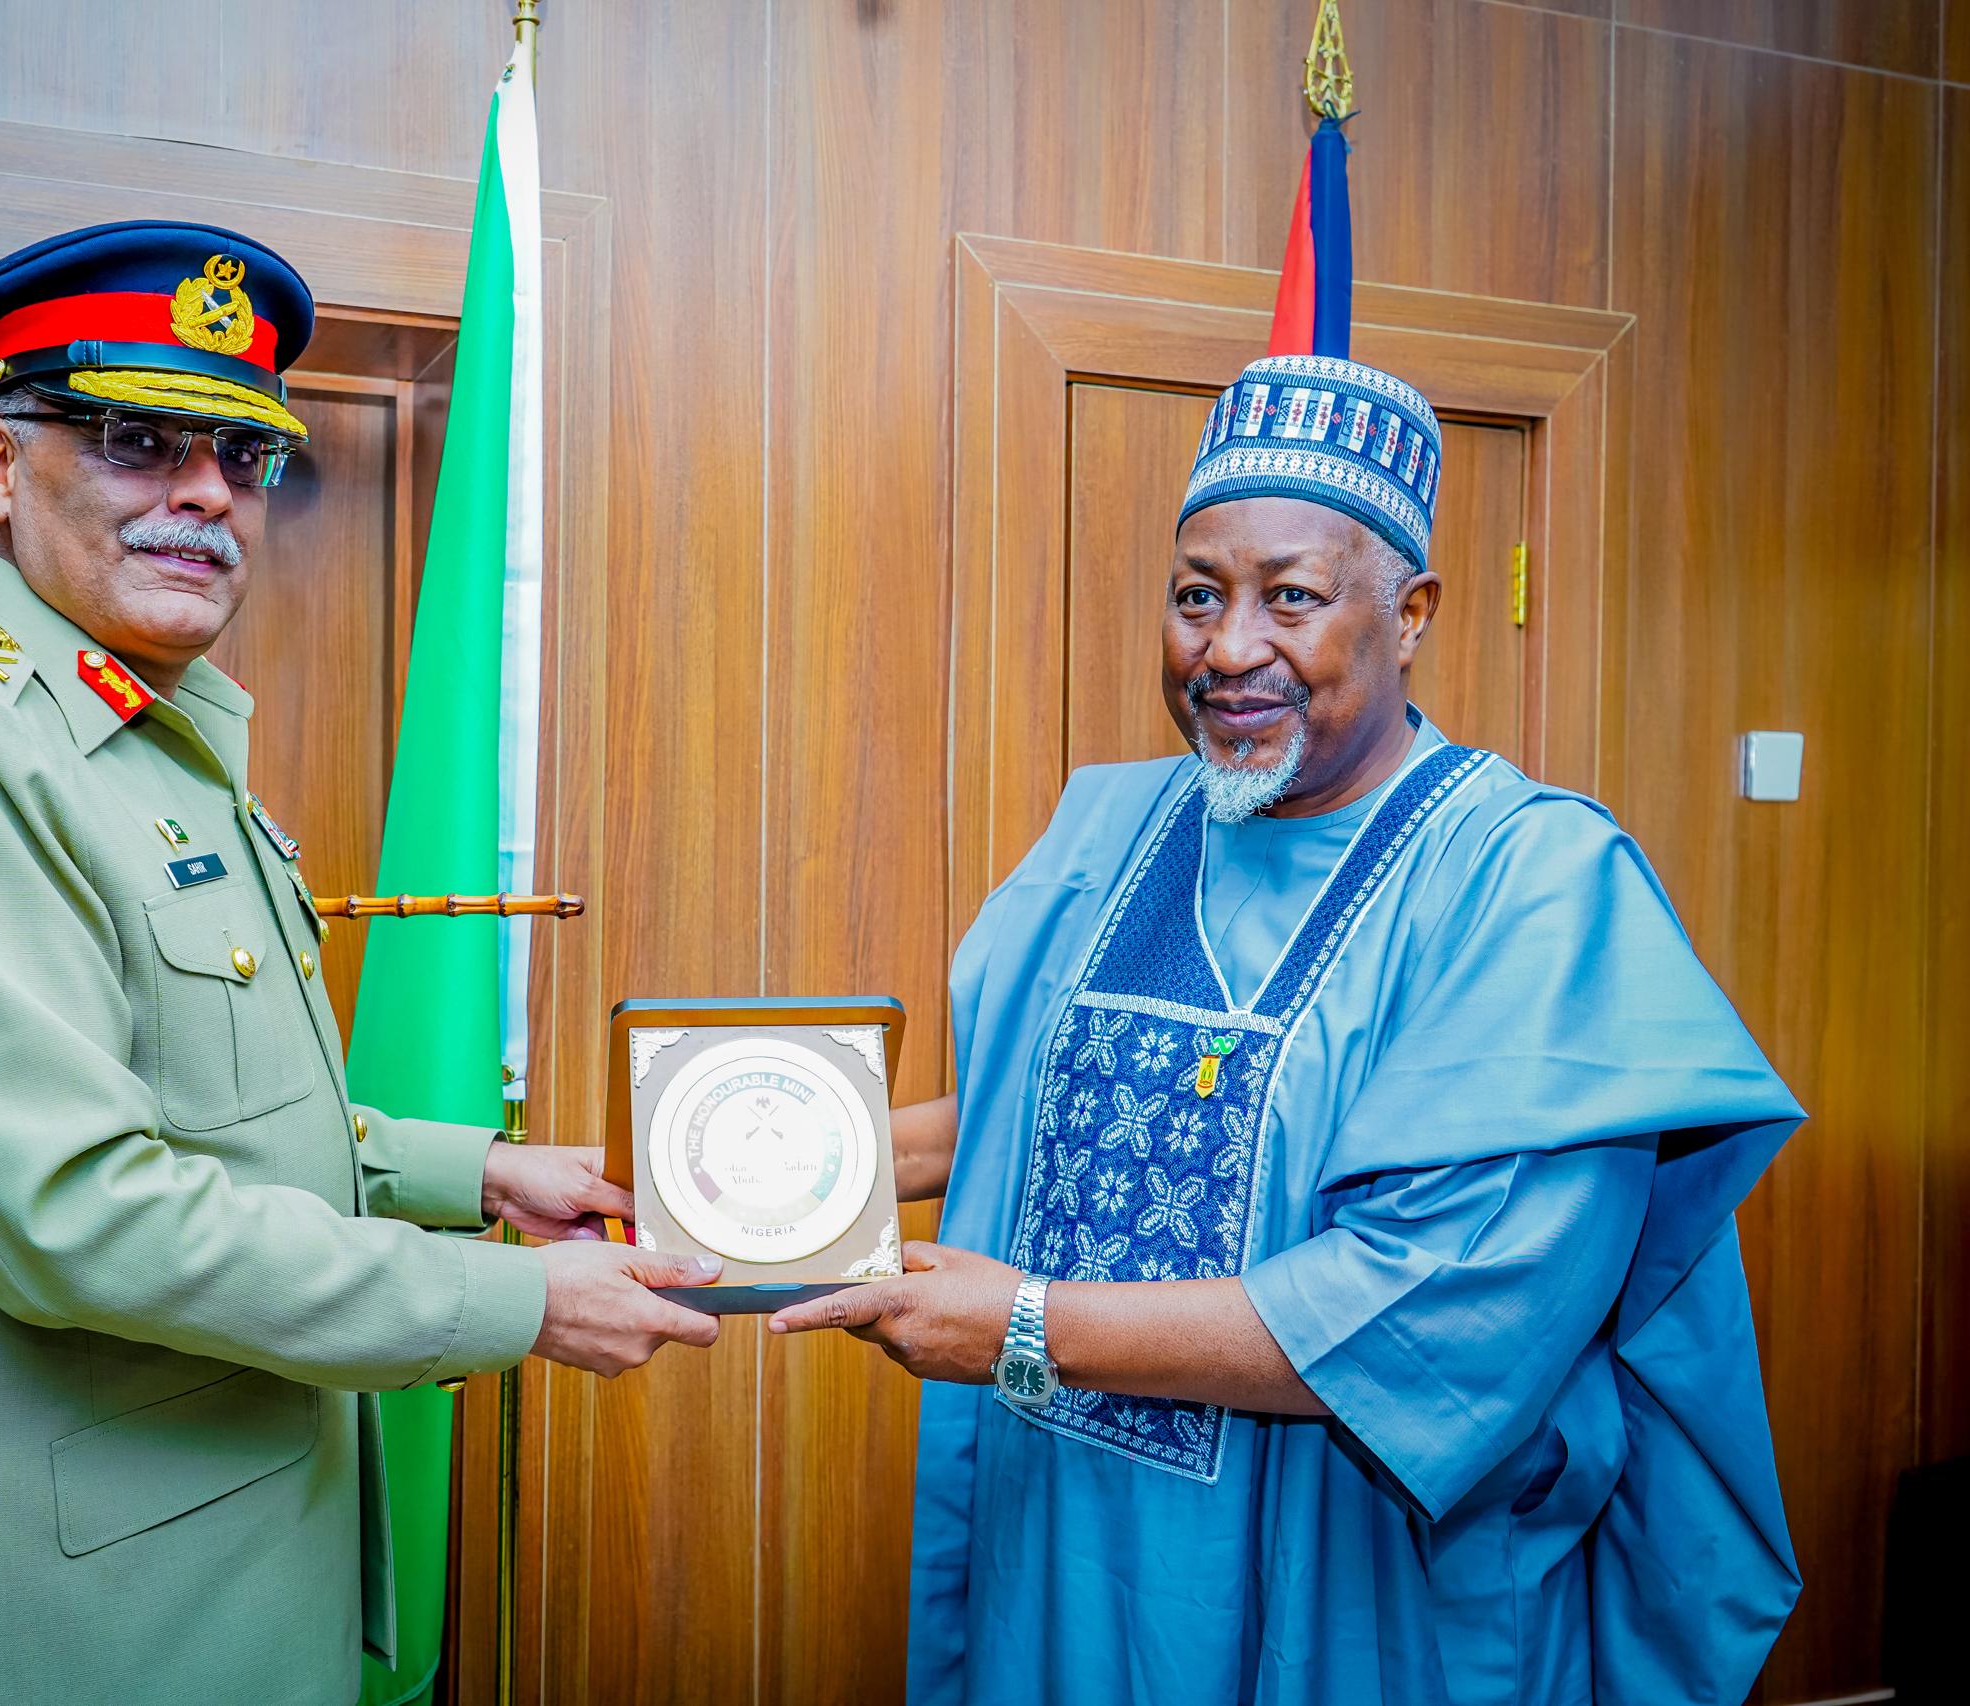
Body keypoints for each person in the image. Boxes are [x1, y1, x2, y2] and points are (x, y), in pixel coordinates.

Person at [0, 220, 719, 1706]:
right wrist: (520, 1301)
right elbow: (75, 1210)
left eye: (245, 455)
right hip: (57, 1608)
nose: (208, 492)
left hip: (238, 1559)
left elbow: (215, 1111)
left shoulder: (162, 731)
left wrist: (473, 1171)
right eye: (140, 441)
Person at [772, 352, 1803, 1704]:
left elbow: (1444, 1297)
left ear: (1412, 613)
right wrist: (751, 1156)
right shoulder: (1115, 826)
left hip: (1357, 1577)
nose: (1229, 647)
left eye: (1292, 597)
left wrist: (1027, 1322)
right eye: (1197, 595)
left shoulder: (1531, 883)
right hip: (1073, 1541)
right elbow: (1046, 1108)